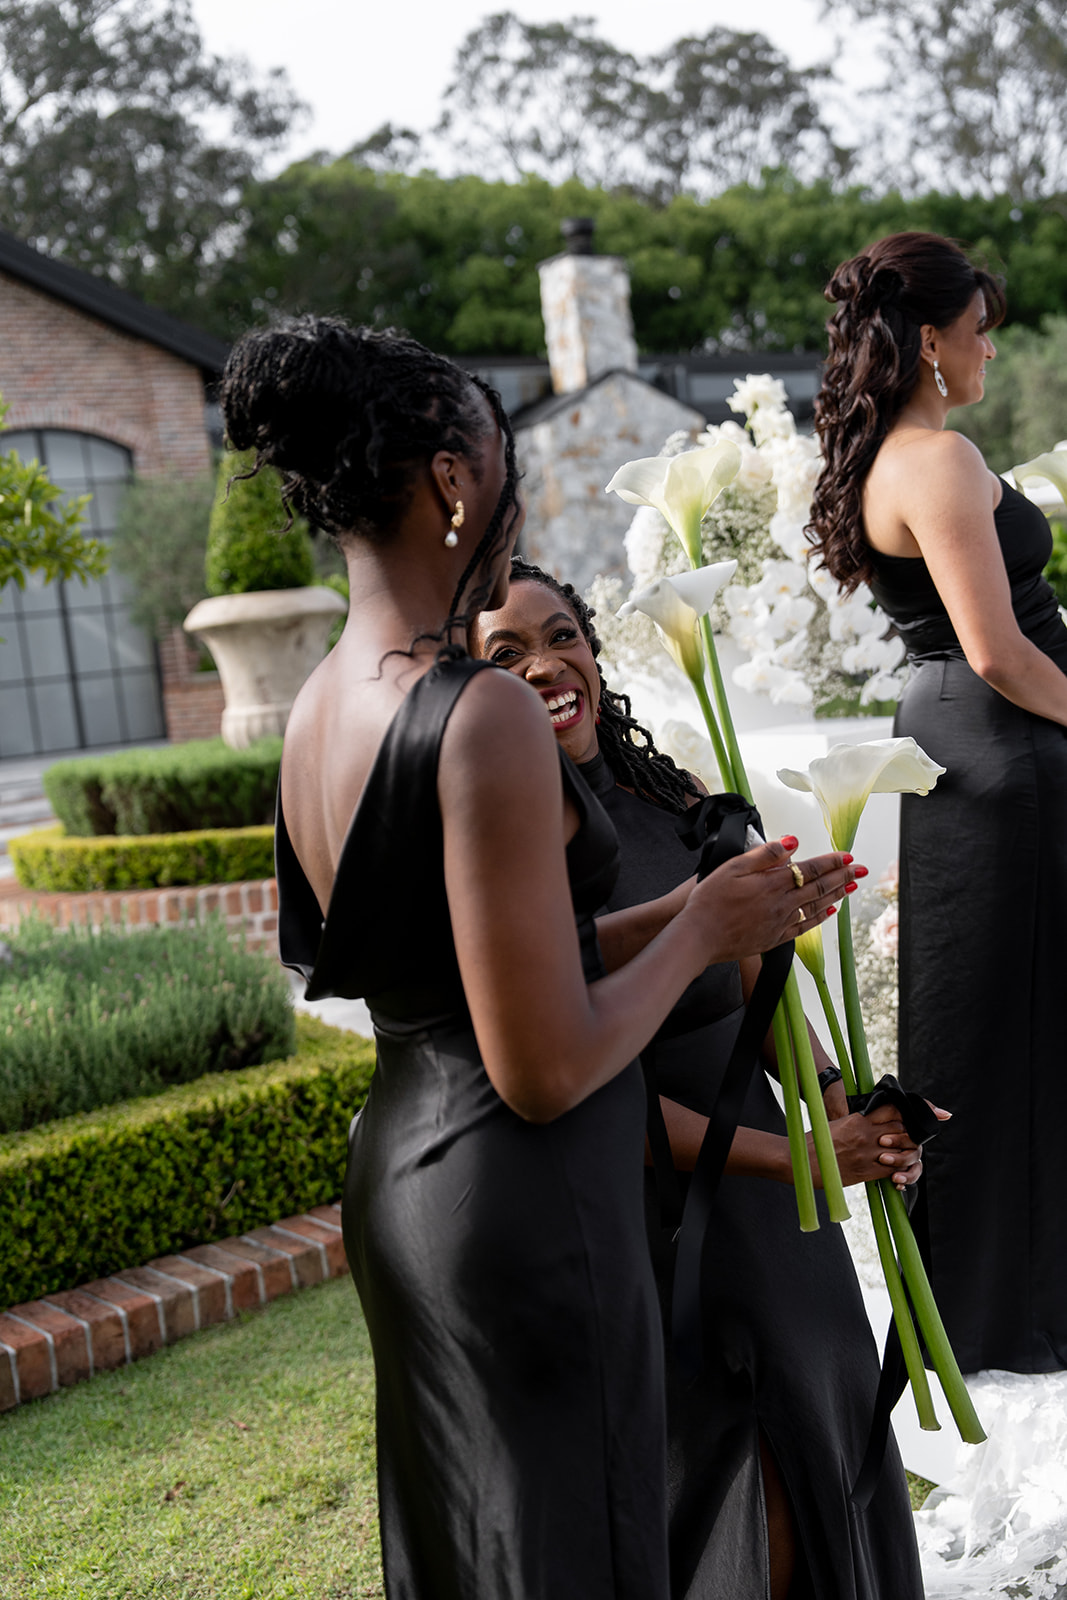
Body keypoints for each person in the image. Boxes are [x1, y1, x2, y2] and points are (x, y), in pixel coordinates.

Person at [218, 316, 858, 1600]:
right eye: (504, 465)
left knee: (487, 1550)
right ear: (454, 479)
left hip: (408, 1182)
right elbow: (544, 1066)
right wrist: (702, 932)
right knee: (579, 1553)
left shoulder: (319, 707)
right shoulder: (484, 712)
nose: (513, 501)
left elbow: (453, 970)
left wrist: (692, 909)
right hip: (526, 1198)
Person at [471, 559, 927, 1600]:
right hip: (650, 1211)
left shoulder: (667, 795)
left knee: (825, 1418)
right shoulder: (507, 854)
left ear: (593, 650)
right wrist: (799, 1156)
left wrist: (842, 1109)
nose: (544, 666)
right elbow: (587, 1091)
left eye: (561, 636)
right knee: (739, 1474)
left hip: (774, 1201)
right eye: (504, 656)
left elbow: (756, 976)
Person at [808, 231, 1067, 1378]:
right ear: (926, 339)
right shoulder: (938, 460)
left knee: (979, 1023)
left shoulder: (886, 461)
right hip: (1005, 747)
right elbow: (998, 649)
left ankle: (978, 1302)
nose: (987, 350)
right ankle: (1013, 1310)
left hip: (957, 741)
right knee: (1018, 1028)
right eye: (976, 330)